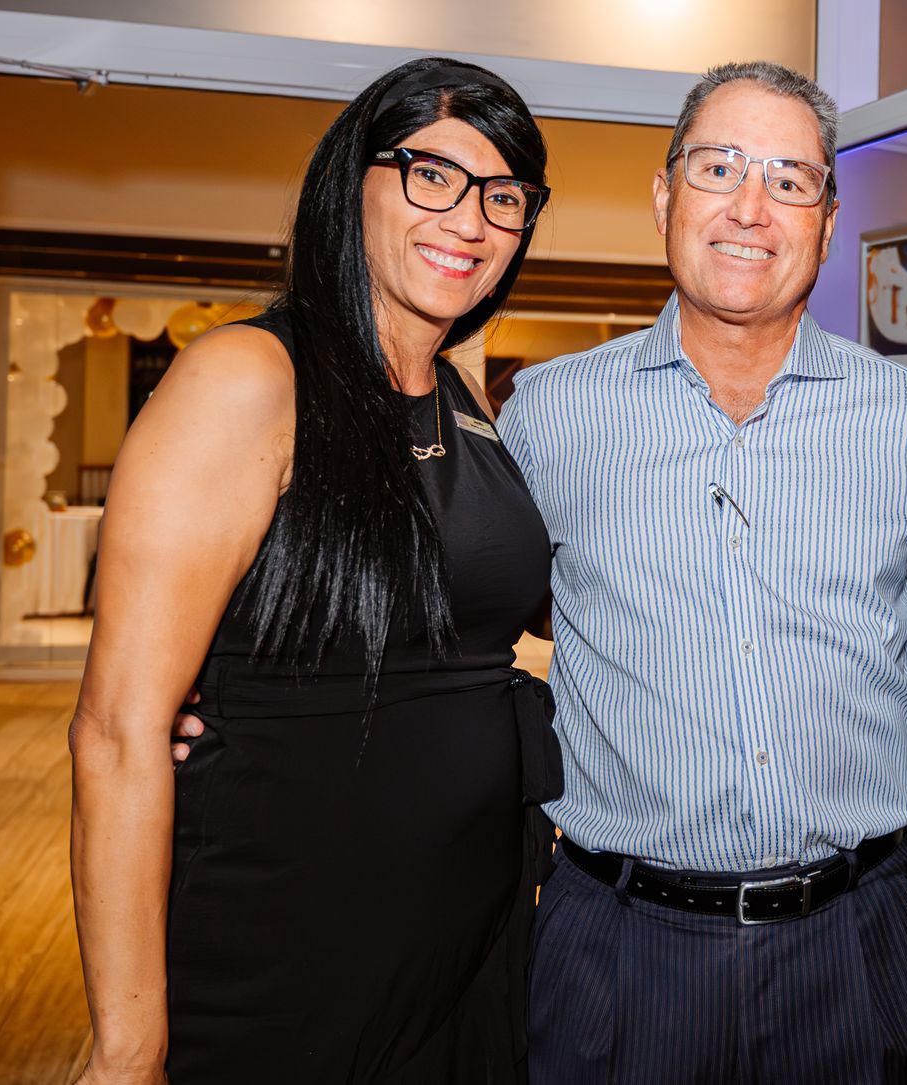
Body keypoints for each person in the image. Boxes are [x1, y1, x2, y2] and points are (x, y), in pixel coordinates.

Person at [495, 61, 907, 1085]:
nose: (749, 207)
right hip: (620, 946)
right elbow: (446, 638)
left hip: (854, 946)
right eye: (718, 166)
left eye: (789, 178)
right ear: (663, 193)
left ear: (825, 220)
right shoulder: (546, 416)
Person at [69, 57, 562, 1085]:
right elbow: (118, 728)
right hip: (287, 953)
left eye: (504, 195)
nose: (470, 218)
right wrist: (129, 1050)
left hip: (463, 950)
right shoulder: (250, 375)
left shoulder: (458, 396)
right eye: (434, 174)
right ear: (354, 183)